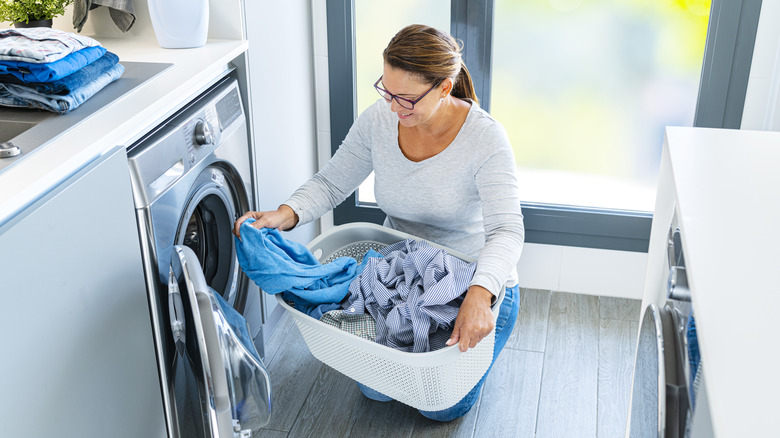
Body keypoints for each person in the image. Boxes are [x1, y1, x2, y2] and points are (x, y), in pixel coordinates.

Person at [232, 24, 524, 421]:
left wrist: (478, 294)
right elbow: (333, 181)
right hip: (398, 272)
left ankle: (478, 354)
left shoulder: (485, 140)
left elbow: (507, 230)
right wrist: (284, 215)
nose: (392, 107)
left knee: (438, 408)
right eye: (385, 90)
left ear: (444, 87)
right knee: (376, 390)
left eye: (405, 98)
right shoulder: (380, 121)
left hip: (472, 280)